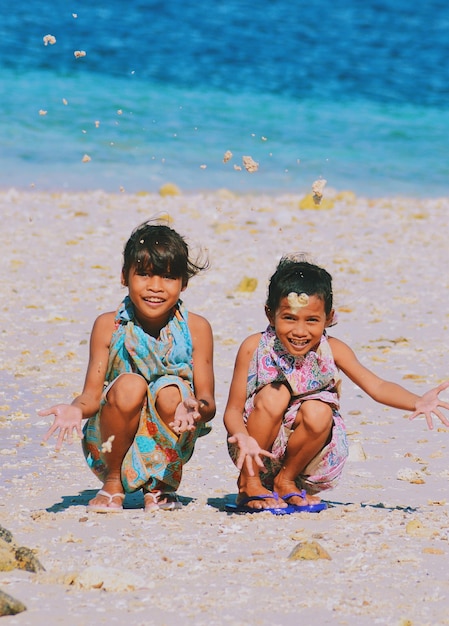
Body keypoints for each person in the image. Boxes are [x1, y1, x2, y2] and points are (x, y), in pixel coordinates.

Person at [223, 256, 449, 513]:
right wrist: (242, 436)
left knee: (320, 409)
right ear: (270, 314)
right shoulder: (254, 346)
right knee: (275, 395)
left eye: (311, 320)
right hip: (251, 447)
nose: (300, 331)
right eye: (289, 318)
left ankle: (285, 480)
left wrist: (417, 401)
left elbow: (377, 386)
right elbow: (233, 409)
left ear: (328, 318)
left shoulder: (333, 349)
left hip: (307, 455)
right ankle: (249, 482)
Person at [39, 221, 215, 513]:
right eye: (143, 274)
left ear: (184, 283)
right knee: (130, 384)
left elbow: (208, 401)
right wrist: (75, 408)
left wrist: (196, 406)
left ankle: (160, 485)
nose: (155, 287)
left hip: (173, 437)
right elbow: (91, 396)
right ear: (125, 276)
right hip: (110, 444)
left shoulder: (196, 328)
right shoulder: (109, 326)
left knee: (172, 390)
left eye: (168, 277)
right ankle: (112, 483)